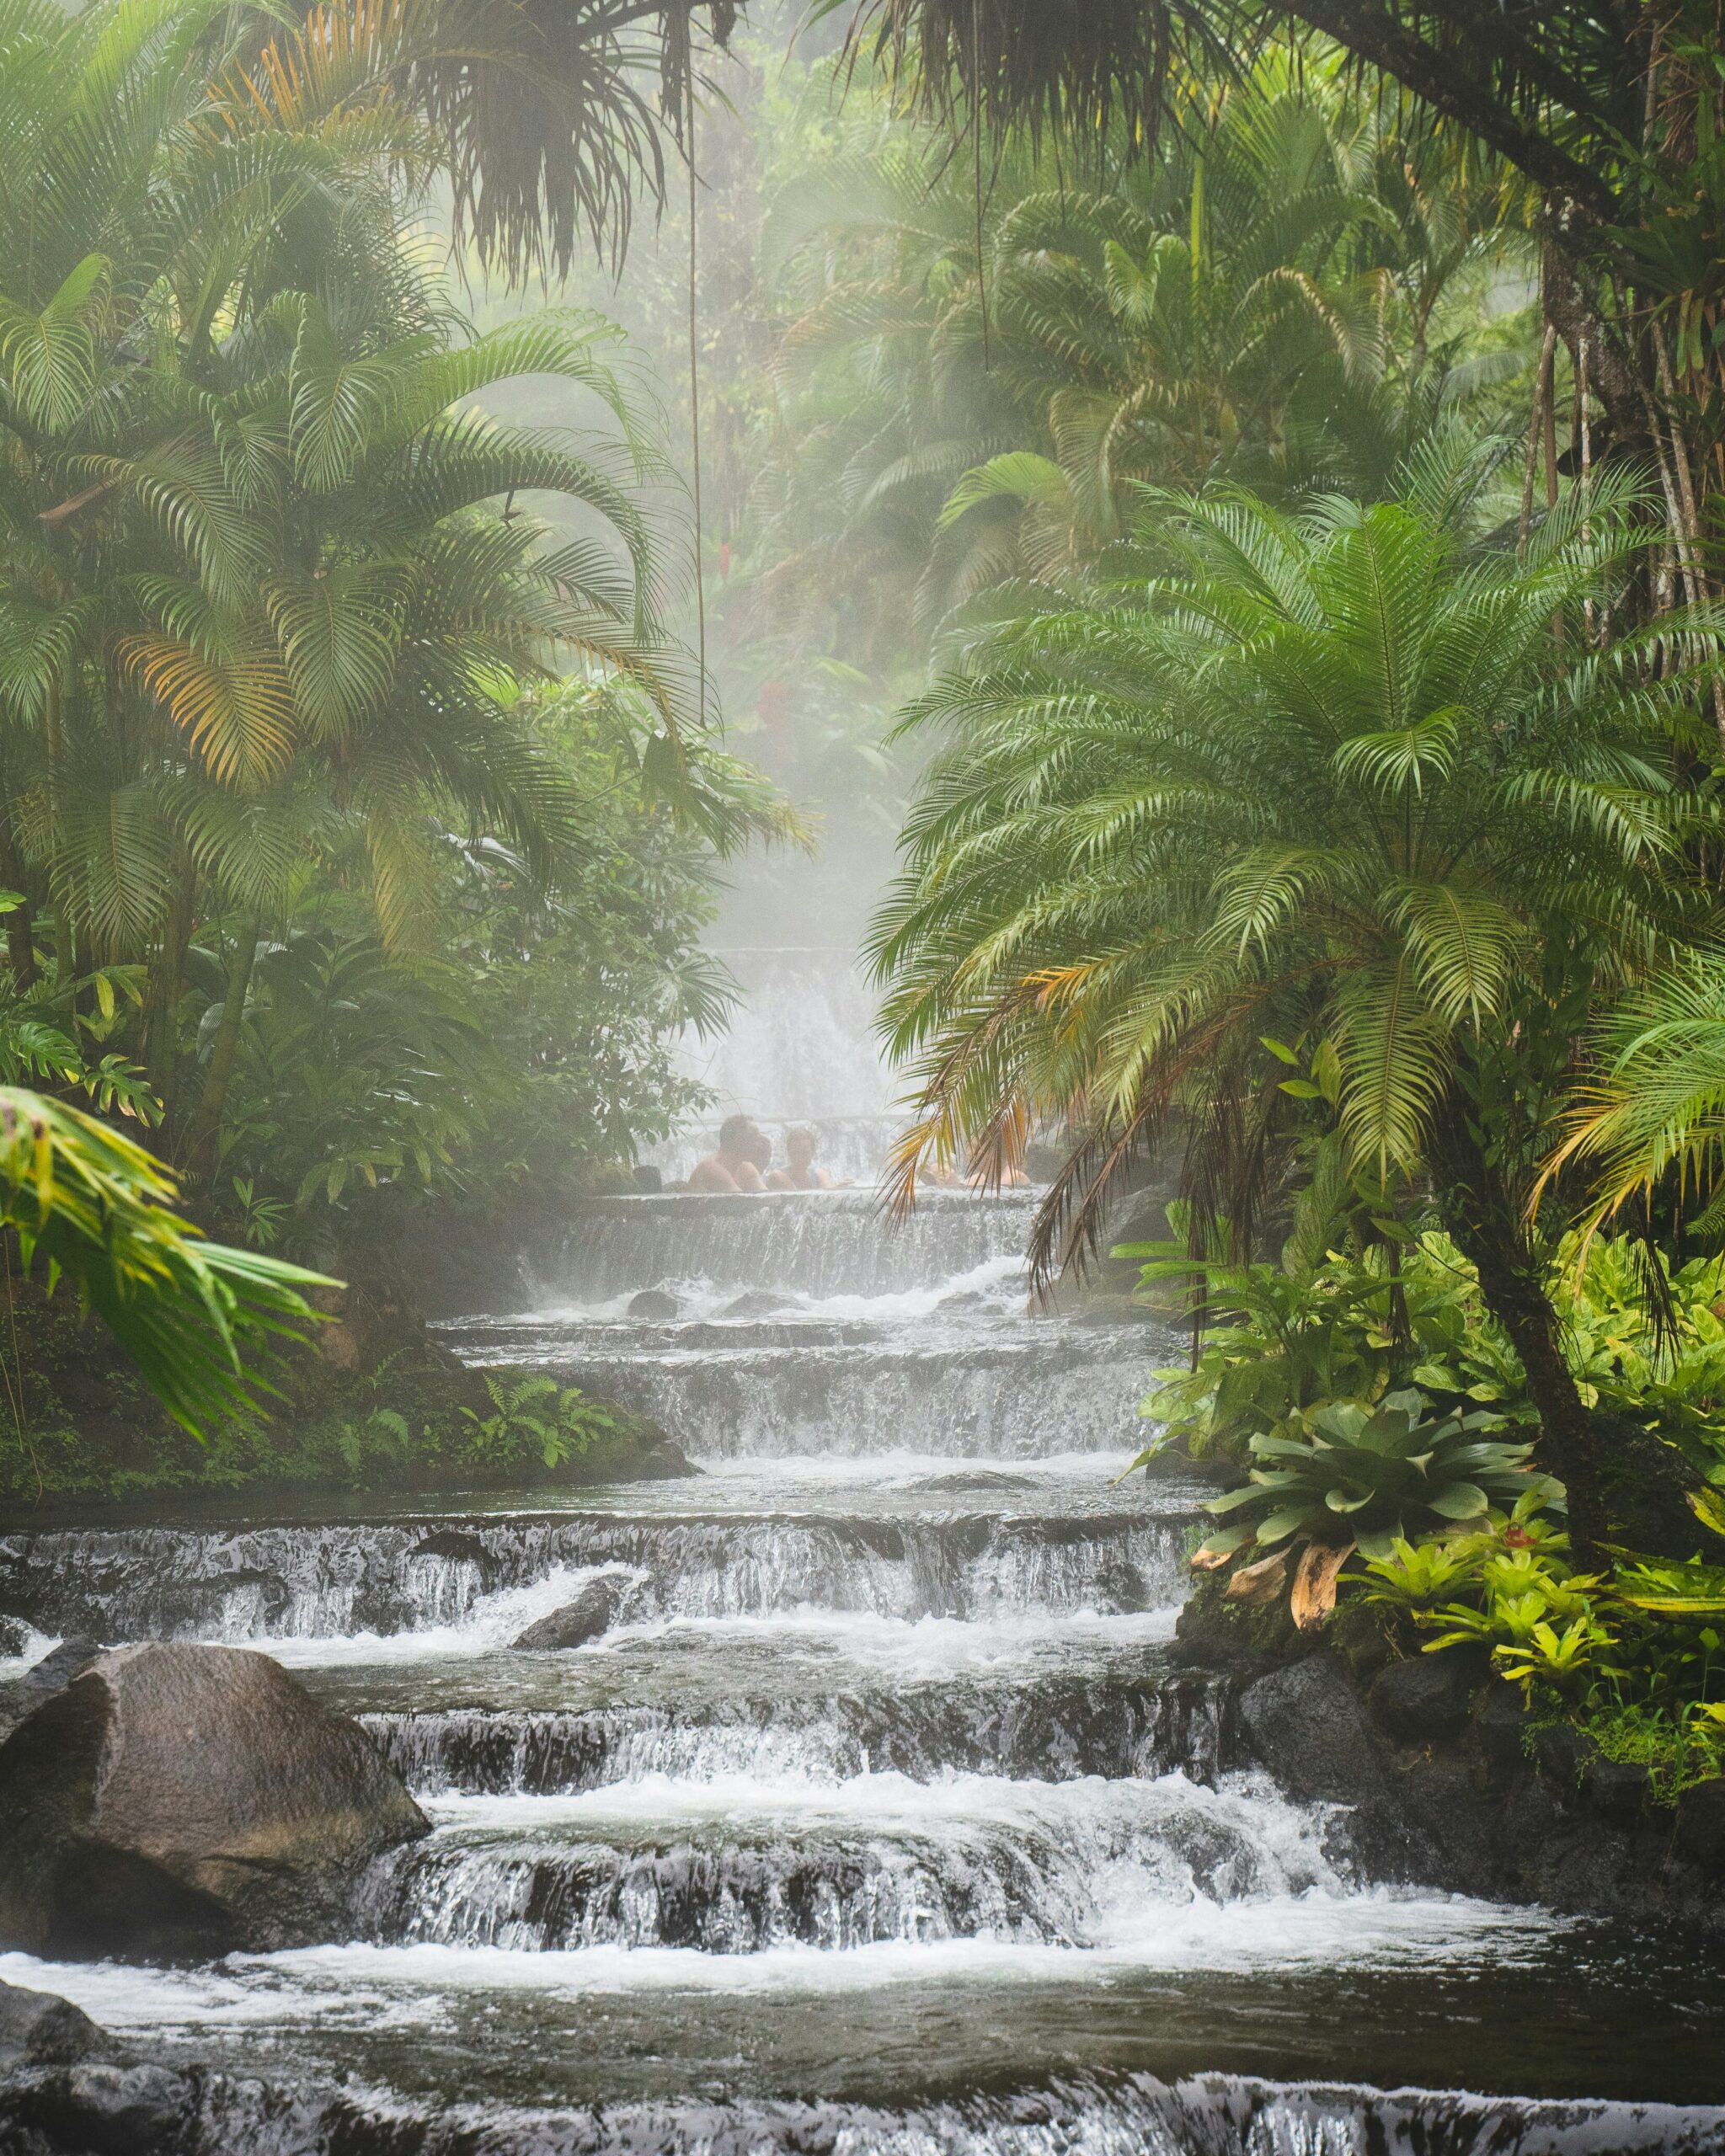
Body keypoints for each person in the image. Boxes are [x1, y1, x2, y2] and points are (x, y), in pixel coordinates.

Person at [687, 1114, 768, 1193]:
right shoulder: (711, 1169)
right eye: (755, 1138)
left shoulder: (746, 1168)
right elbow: (742, 1203)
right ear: (739, 1141)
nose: (760, 1145)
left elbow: (768, 1199)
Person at [767, 1126, 846, 1191]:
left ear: (813, 1153)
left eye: (805, 1153)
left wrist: (838, 1189)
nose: (800, 1158)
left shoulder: (820, 1174)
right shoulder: (778, 1176)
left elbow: (828, 1191)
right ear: (789, 1152)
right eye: (796, 1152)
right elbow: (797, 1199)